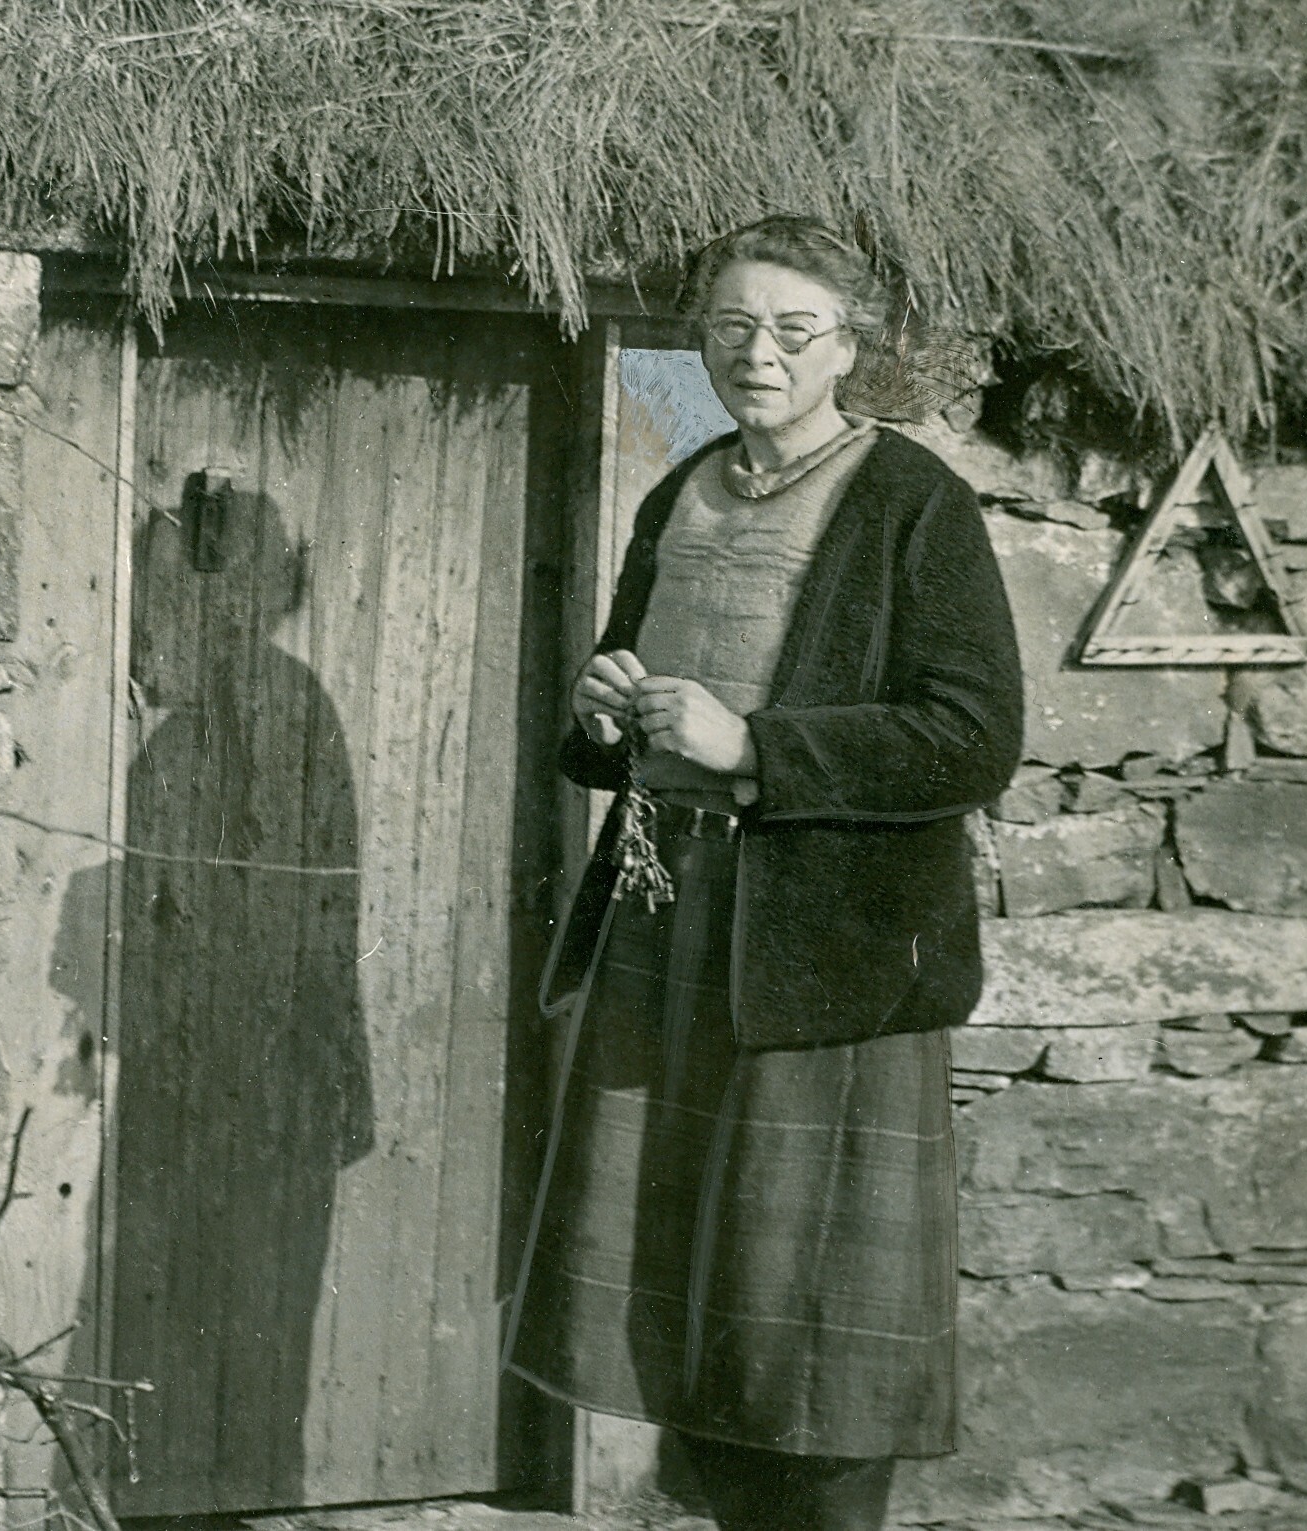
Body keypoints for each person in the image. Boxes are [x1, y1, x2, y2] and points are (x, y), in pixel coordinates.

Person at [504, 216, 1024, 1531]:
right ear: (700, 339)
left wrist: (759, 749)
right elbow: (608, 723)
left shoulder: (910, 501)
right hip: (670, 919)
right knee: (693, 1296)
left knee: (819, 1320)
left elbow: (973, 739)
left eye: (796, 329)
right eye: (733, 327)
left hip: (825, 954)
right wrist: (603, 711)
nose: (760, 354)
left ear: (848, 346)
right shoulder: (679, 493)